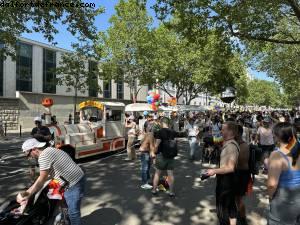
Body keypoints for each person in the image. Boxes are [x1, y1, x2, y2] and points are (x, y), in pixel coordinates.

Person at [17, 138, 85, 225]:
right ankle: (65, 220)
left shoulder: (43, 156)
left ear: (34, 149)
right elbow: (46, 175)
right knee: (66, 207)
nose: (29, 157)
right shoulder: (49, 149)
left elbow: (42, 179)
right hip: (74, 179)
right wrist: (30, 190)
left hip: (74, 183)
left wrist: (27, 194)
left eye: (28, 154)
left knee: (73, 213)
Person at [206, 121, 240, 225]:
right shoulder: (228, 143)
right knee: (231, 208)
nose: (221, 131)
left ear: (230, 132)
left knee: (223, 211)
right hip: (228, 180)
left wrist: (213, 171)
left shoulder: (231, 146)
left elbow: (230, 168)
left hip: (227, 181)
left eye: (223, 129)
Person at [267, 122, 300, 225]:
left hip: (284, 199)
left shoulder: (277, 154)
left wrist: (270, 196)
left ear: (277, 136)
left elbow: (272, 185)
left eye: (273, 133)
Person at [151, 117, 186, 197]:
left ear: (161, 123)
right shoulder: (173, 132)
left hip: (161, 155)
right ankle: (171, 192)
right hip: (171, 156)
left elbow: (156, 145)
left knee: (157, 173)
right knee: (170, 174)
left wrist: (153, 152)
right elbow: (177, 143)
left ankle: (154, 190)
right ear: (169, 123)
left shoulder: (160, 132)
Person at [235, 125, 250, 225]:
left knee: (239, 198)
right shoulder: (235, 144)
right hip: (236, 174)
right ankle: (239, 215)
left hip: (241, 174)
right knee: (236, 198)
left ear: (238, 133)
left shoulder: (244, 145)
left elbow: (241, 163)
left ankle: (243, 218)